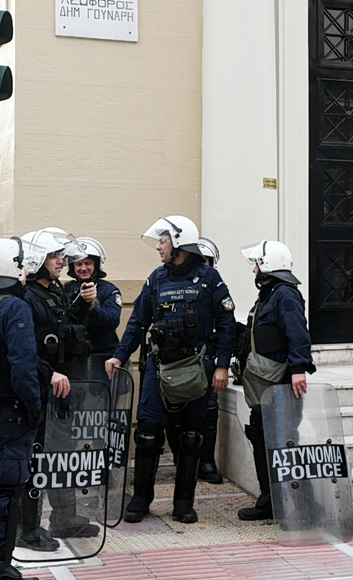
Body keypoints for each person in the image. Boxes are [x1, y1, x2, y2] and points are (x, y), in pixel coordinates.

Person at [0, 236, 71, 580]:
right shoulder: (13, 306)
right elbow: (22, 365)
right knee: (5, 489)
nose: (25, 272)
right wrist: (34, 407)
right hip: (9, 414)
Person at [105, 217, 236, 524]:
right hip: (159, 368)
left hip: (196, 368)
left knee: (191, 437)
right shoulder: (156, 279)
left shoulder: (210, 279)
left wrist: (222, 366)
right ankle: (141, 499)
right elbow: (137, 322)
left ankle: (183, 504)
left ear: (178, 243)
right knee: (148, 434)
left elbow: (227, 325)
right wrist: (119, 357)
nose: (159, 247)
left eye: (162, 241)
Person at [17, 228, 97, 551]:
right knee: (35, 459)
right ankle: (28, 527)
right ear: (37, 260)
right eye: (55, 256)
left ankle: (64, 518)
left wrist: (86, 304)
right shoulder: (27, 299)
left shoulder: (56, 293)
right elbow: (25, 351)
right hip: (38, 392)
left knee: (61, 455)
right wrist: (48, 375)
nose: (62, 261)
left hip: (61, 394)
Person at [235, 240, 314, 521]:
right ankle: (270, 501)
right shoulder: (268, 296)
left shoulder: (285, 295)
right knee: (262, 438)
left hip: (281, 386)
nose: (253, 269)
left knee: (284, 443)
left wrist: (298, 369)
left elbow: (298, 333)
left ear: (266, 267)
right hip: (265, 388)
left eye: (256, 264)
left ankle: (299, 504)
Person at [63, 237, 122, 371]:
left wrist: (92, 307)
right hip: (75, 359)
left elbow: (112, 321)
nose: (83, 268)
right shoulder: (66, 289)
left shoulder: (109, 290)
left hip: (103, 358)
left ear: (96, 265)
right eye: (78, 264)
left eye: (88, 263)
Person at [195, 236, 224, 484]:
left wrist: (223, 365)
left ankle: (207, 462)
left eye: (207, 262)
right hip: (182, 362)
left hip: (209, 361)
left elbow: (225, 326)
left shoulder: (216, 286)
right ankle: (187, 462)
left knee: (210, 410)